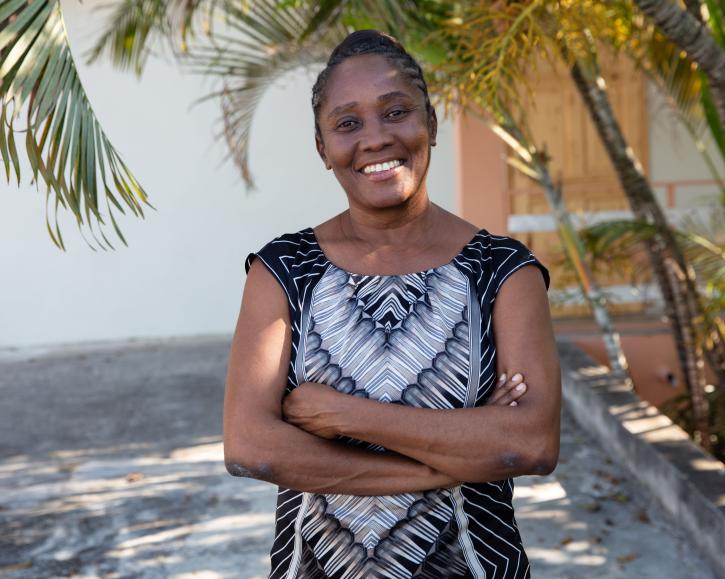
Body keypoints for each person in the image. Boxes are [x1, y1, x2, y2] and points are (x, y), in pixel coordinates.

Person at [223, 29, 561, 579]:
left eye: (396, 111)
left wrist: (343, 415)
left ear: (430, 123)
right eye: (348, 123)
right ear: (322, 148)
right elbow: (252, 447)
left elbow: (531, 443)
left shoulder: (501, 272)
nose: (375, 139)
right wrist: (459, 452)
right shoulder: (284, 272)